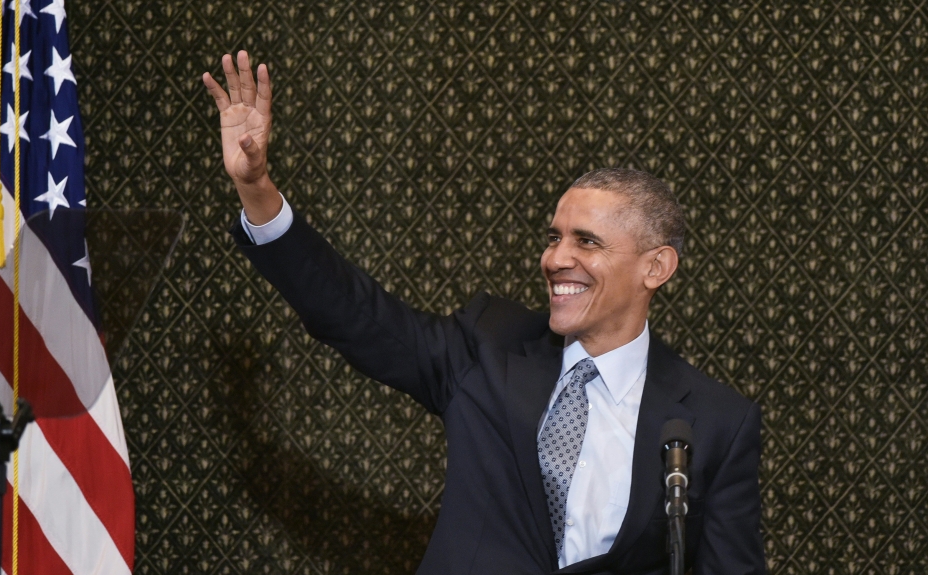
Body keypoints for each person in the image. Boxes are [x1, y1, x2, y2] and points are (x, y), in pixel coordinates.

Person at [203, 51, 765, 575]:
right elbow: (353, 315)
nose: (556, 258)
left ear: (656, 267)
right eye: (553, 237)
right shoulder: (486, 347)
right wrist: (257, 190)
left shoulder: (714, 423)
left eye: (586, 242)